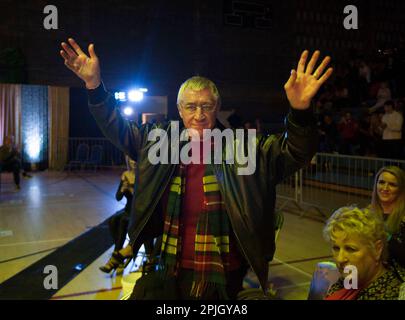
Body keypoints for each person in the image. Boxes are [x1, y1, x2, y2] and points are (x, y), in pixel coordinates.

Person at [60, 38, 333, 300]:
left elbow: (296, 152)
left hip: (223, 269)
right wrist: (94, 85)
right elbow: (116, 128)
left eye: (206, 106)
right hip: (169, 261)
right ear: (179, 109)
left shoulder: (244, 147)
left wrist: (300, 112)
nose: (199, 115)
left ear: (218, 108)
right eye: (190, 106)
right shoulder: (160, 140)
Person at [323, 206, 405, 300]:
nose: (340, 259)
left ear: (377, 249)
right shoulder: (350, 279)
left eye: (351, 249)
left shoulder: (390, 295)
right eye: (336, 248)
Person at [99, 156, 154, 274]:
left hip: (139, 211)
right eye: (130, 160)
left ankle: (118, 255)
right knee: (113, 221)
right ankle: (118, 251)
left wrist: (133, 190)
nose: (133, 162)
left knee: (124, 222)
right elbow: (118, 198)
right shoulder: (126, 175)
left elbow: (144, 198)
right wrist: (123, 189)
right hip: (128, 209)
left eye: (134, 160)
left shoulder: (144, 175)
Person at [371, 166, 405, 269]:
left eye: (392, 184)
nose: (385, 188)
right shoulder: (368, 214)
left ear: (401, 189)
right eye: (381, 182)